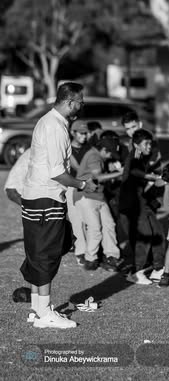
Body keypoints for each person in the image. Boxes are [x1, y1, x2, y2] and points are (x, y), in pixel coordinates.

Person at [20, 82, 98, 329]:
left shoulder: (48, 122)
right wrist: (83, 185)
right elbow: (57, 172)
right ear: (69, 101)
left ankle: (37, 308)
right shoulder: (55, 126)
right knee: (46, 256)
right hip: (46, 197)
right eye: (80, 102)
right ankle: (44, 314)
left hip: (35, 196)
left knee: (38, 254)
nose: (81, 106)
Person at [118, 129, 166, 285]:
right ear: (136, 145)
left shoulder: (143, 159)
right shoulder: (134, 157)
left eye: (150, 143)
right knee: (144, 235)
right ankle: (136, 272)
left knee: (158, 232)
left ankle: (158, 269)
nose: (149, 146)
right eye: (146, 143)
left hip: (142, 202)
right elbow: (134, 170)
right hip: (132, 205)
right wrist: (153, 177)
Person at [75, 136, 122, 272]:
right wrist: (118, 173)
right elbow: (98, 177)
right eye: (109, 153)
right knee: (95, 228)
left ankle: (111, 256)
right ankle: (90, 259)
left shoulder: (99, 156)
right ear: (103, 149)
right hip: (86, 196)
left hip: (98, 196)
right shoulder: (94, 156)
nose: (110, 156)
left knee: (109, 224)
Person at [67, 119, 90, 265]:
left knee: (89, 220)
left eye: (86, 133)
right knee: (76, 221)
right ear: (72, 132)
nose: (84, 136)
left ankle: (91, 251)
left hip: (88, 187)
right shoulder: (66, 148)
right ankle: (80, 251)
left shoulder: (89, 148)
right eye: (81, 133)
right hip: (72, 186)